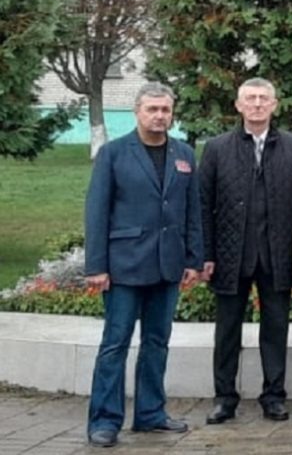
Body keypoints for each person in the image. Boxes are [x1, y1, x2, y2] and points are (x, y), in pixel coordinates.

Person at [83, 82, 203, 448]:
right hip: (123, 266)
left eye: (165, 110)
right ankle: (104, 421)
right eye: (152, 109)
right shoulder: (114, 154)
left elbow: (192, 210)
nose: (159, 116)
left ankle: (150, 413)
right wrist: (96, 266)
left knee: (157, 342)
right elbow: (96, 211)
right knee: (115, 343)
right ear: (137, 111)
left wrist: (193, 259)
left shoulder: (184, 154)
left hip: (167, 266)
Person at [199, 78, 292, 424]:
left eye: (264, 99)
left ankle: (274, 396)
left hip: (277, 254)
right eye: (251, 98)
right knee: (227, 330)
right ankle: (224, 398)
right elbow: (203, 204)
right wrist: (205, 254)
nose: (258, 104)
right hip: (231, 254)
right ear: (238, 105)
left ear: (275, 105)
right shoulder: (218, 148)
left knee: (276, 328)